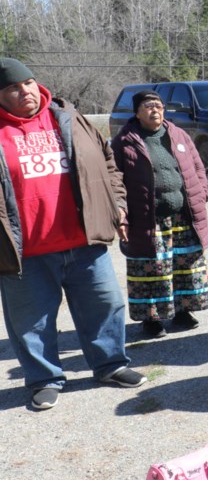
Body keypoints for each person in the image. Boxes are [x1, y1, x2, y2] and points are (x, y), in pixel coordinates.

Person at [0, 57, 146, 411]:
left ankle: (110, 364)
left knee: (106, 304)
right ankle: (44, 379)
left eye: (29, 83)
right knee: (30, 322)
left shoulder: (68, 116)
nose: (25, 92)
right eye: (13, 89)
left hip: (83, 241)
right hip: (26, 250)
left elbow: (108, 161)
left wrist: (117, 203)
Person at [111, 90, 208, 338]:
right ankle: (151, 319)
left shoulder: (178, 134)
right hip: (147, 219)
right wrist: (121, 214)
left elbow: (197, 166)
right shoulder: (124, 142)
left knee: (184, 266)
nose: (154, 110)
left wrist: (201, 193)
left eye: (158, 105)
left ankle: (182, 312)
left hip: (182, 215)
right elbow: (114, 181)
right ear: (137, 112)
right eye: (147, 106)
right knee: (152, 268)